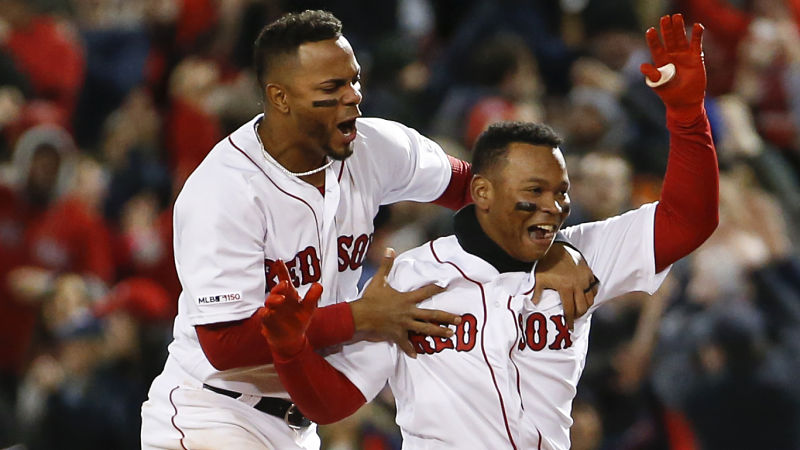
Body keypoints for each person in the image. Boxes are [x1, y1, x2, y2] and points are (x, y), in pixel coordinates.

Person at [139, 9, 598, 450]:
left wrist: (556, 250)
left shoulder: (374, 147)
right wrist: (358, 317)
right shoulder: (224, 190)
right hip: (212, 414)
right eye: (332, 86)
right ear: (281, 97)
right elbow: (223, 345)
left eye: (354, 79)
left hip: (298, 424)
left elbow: (480, 190)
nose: (353, 95)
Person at [260, 14, 718, 449]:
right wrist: (289, 348)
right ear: (482, 191)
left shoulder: (584, 257)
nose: (553, 207)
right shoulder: (413, 279)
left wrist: (686, 114)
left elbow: (689, 220)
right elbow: (333, 401)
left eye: (561, 192)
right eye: (534, 190)